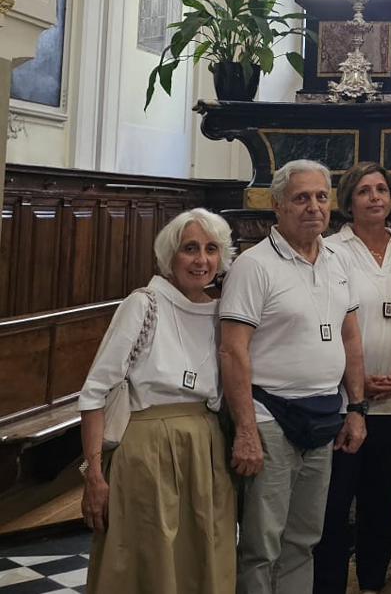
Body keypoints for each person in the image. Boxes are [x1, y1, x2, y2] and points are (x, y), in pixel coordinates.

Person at [219, 159, 369, 594]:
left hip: (324, 416)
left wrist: (356, 409)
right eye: (301, 198)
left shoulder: (339, 261)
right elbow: (232, 351)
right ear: (278, 205)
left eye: (321, 197)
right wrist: (246, 429)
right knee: (262, 543)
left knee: (304, 539)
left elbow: (352, 340)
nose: (313, 207)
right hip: (270, 417)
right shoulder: (255, 266)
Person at [78, 208, 236, 594]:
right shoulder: (144, 304)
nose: (201, 260)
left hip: (206, 448)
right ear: (170, 256)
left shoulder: (224, 312)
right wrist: (94, 475)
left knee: (203, 558)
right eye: (190, 249)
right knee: (143, 559)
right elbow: (95, 392)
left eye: (211, 249)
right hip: (146, 452)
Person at [314, 162, 391, 594]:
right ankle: (328, 584)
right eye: (364, 191)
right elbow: (322, 319)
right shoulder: (330, 252)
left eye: (382, 189)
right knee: (334, 502)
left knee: (378, 501)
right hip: (343, 401)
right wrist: (354, 380)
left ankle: (371, 583)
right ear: (348, 202)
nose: (375, 197)